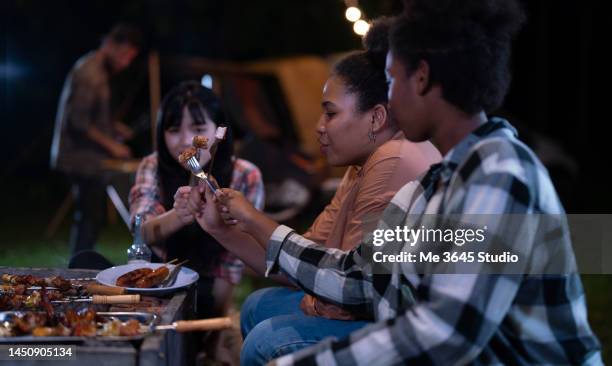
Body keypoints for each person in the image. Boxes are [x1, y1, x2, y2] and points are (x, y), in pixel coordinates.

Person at [190, 1, 603, 365]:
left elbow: (444, 336)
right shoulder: (431, 186)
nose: (387, 99)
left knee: (273, 341)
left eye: (390, 81)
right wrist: (228, 227)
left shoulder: (500, 173)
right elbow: (356, 277)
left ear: (420, 78)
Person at [193, 19, 440, 365]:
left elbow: (350, 290)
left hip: (402, 331)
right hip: (370, 306)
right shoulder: (361, 165)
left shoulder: (394, 158)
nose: (318, 128)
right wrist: (223, 228)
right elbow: (302, 261)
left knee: (267, 340)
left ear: (376, 117)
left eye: (330, 114)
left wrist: (253, 218)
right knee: (257, 305)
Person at [128, 81, 264, 319]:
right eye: (173, 130)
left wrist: (216, 323)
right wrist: (180, 214)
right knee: (87, 260)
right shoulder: (153, 165)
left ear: (219, 130)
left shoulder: (245, 175)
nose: (185, 140)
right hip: (153, 280)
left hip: (207, 288)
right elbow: (143, 233)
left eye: (198, 127)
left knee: (197, 306)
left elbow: (232, 264)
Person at [51, 24, 142, 256]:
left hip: (88, 157)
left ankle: (80, 261)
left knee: (91, 216)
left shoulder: (99, 70)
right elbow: (78, 122)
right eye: (124, 55)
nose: (126, 63)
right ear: (111, 44)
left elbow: (92, 117)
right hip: (79, 157)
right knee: (90, 217)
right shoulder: (90, 73)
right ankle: (79, 266)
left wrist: (114, 127)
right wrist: (112, 145)